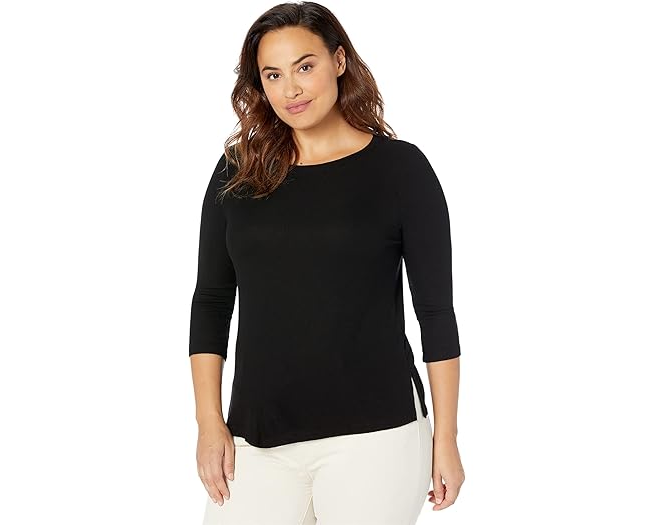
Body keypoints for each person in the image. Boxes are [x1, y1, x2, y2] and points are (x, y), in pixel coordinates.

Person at [189, 2, 465, 523]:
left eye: (305, 66)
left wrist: (446, 438)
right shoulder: (237, 172)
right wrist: (209, 422)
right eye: (273, 74)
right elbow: (211, 301)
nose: (290, 89)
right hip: (257, 437)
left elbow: (435, 312)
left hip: (376, 436)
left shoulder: (400, 170)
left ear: (339, 61)